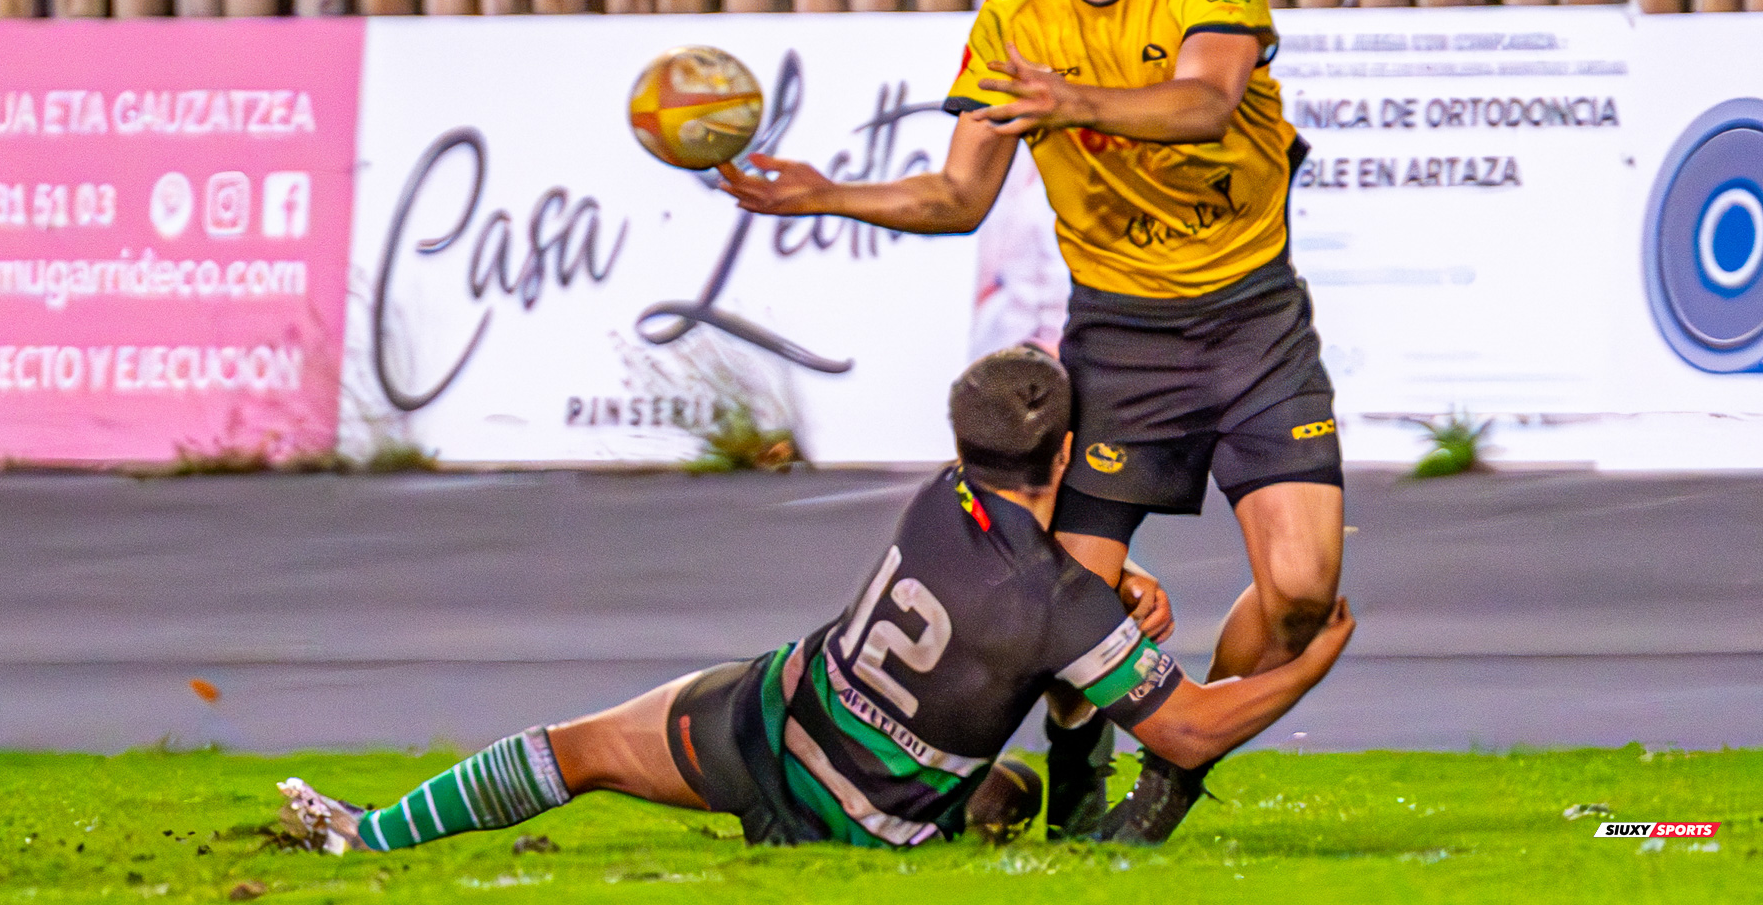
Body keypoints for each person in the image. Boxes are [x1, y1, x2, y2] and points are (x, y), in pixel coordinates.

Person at [716, 0, 1345, 844]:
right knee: (1063, 604)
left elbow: (1204, 101)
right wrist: (825, 192)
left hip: (1254, 325)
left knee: (1301, 589)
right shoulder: (1016, 15)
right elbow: (958, 198)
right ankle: (1076, 769)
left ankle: (1173, 771)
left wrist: (1075, 103)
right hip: (1122, 335)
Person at [276, 348, 1353, 855]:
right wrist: (1305, 662)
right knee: (1047, 747)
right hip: (866, 817)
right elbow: (1195, 724)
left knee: (580, 747)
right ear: (1067, 453)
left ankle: (365, 837)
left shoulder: (941, 497)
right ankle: (1073, 823)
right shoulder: (1058, 601)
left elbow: (1051, 595)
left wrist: (1117, 595)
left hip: (772, 720)